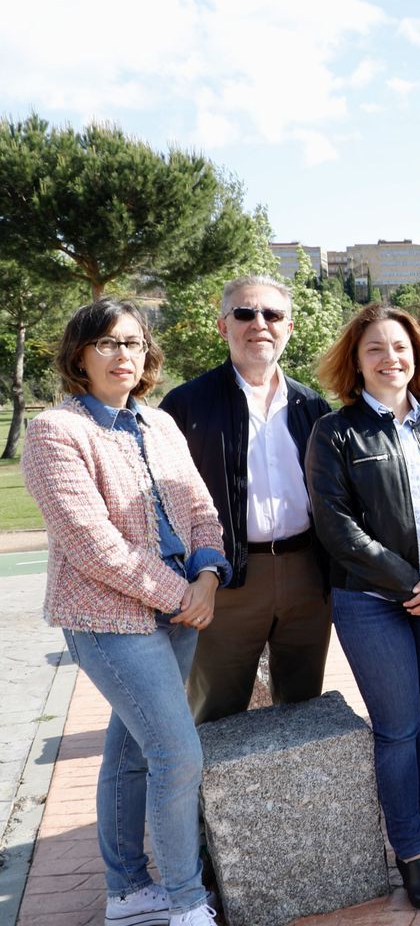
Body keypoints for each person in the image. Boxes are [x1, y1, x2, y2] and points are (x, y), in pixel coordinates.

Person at [23, 300, 231, 926]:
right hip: (109, 619)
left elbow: (199, 508)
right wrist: (181, 594)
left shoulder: (160, 423)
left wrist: (210, 574)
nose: (123, 355)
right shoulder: (55, 432)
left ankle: (127, 893)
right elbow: (90, 543)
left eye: (134, 344)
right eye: (108, 344)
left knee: (132, 751)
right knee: (178, 753)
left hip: (182, 610)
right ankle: (186, 903)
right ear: (79, 356)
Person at [305, 304, 420, 911]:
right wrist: (412, 583)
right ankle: (408, 851)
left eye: (400, 347)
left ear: (418, 355)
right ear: (355, 361)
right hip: (372, 602)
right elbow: (337, 528)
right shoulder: (335, 432)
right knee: (398, 727)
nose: (391, 359)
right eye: (375, 349)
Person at [161, 275, 333, 726]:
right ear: (223, 326)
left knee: (302, 712)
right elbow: (162, 502)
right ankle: (210, 800)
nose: (260, 323)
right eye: (245, 313)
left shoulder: (312, 406)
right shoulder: (185, 405)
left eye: (272, 314)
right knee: (217, 714)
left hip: (306, 578)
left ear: (288, 328)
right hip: (226, 580)